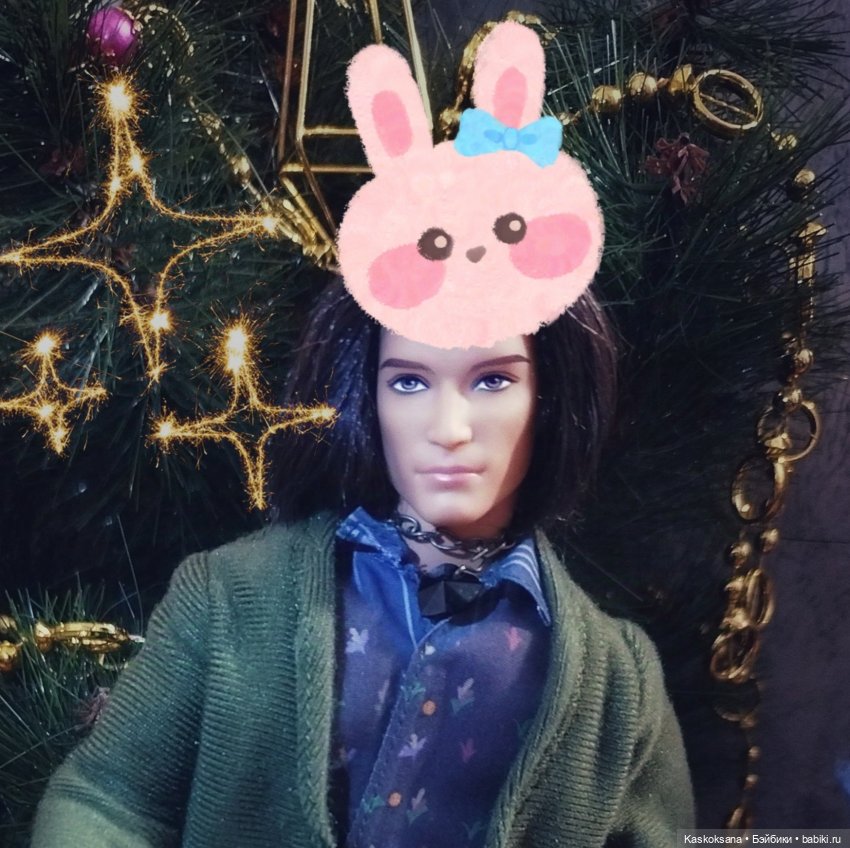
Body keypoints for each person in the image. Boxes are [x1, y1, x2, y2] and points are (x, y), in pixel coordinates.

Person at [31, 280, 694, 847]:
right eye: (409, 381)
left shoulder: (617, 683)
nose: (449, 427)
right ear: (367, 396)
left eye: (493, 380)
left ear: (547, 397)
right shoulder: (231, 594)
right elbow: (105, 799)